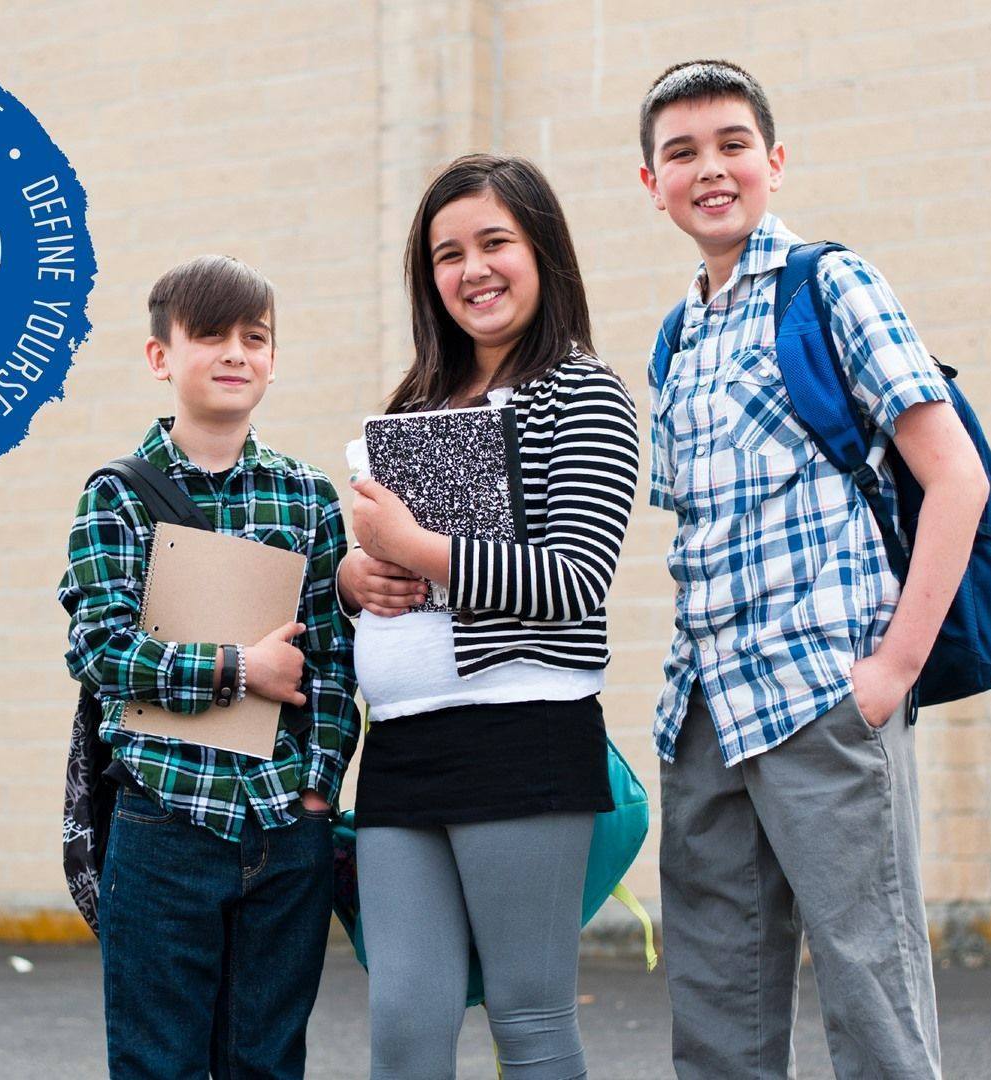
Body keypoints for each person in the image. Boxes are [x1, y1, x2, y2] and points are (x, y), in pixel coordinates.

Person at [638, 60, 989, 1079]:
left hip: (823, 695)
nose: (711, 168)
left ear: (776, 161)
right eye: (682, 153)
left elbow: (955, 478)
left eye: (733, 144)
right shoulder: (676, 338)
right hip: (704, 710)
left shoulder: (831, 285)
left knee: (872, 999)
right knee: (718, 1016)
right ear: (652, 184)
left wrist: (892, 671)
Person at [339, 153, 640, 1080]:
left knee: (530, 1021)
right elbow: (388, 570)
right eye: (448, 254)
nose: (473, 269)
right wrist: (356, 577)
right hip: (401, 748)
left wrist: (419, 547)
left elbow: (576, 578)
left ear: (542, 250)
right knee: (404, 1025)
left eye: (494, 243)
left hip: (523, 739)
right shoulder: (414, 406)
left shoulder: (583, 392)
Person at [56, 254, 360, 1079]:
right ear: (161, 356)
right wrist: (236, 669)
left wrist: (317, 792)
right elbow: (98, 648)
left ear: (273, 358)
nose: (235, 352)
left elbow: (335, 662)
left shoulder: (309, 496)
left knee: (268, 1063)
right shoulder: (117, 495)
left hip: (284, 825)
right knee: (160, 1063)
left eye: (254, 338)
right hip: (163, 820)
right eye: (211, 335)